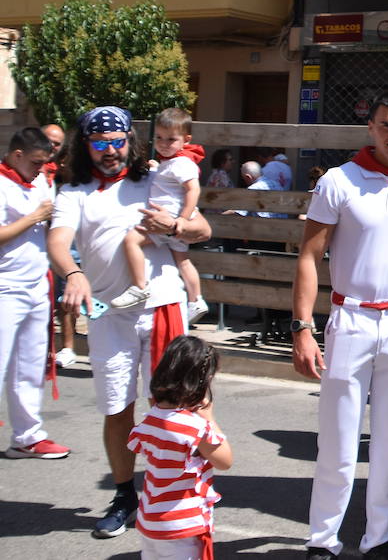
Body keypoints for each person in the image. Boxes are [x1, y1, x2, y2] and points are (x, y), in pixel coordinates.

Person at [293, 92, 388, 560]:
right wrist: (302, 327)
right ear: (371, 126)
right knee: (338, 441)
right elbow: (308, 255)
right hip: (351, 319)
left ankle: (379, 539)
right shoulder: (339, 182)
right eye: (386, 125)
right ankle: (322, 540)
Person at [47, 105, 211, 538]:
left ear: (129, 141)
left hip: (161, 305)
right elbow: (58, 242)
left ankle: (177, 493)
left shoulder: (154, 178)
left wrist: (175, 224)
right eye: (99, 143)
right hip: (108, 314)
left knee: (176, 405)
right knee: (118, 409)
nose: (110, 150)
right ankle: (125, 496)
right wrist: (75, 274)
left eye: (117, 141)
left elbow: (204, 230)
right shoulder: (74, 193)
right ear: (86, 146)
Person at [128, 335, 232, 559]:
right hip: (180, 524)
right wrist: (210, 418)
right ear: (202, 381)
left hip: (150, 519)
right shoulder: (194, 427)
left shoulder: (151, 417)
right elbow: (225, 461)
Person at [0, 127, 68, 460]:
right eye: (36, 162)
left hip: (37, 284)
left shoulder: (40, 180)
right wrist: (35, 217)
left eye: (45, 163)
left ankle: (27, 436)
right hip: (5, 288)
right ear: (16, 155)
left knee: (29, 365)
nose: (41, 169)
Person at [111, 108, 207, 324]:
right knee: (183, 261)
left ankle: (139, 286)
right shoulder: (171, 162)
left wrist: (181, 220)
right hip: (172, 220)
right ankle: (196, 299)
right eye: (159, 138)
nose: (163, 143)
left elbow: (194, 190)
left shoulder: (183, 163)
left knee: (131, 240)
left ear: (186, 140)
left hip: (167, 219)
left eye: (171, 139)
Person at [43, 122, 80, 369]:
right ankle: (46, 348)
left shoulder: (69, 174)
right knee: (46, 302)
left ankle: (67, 347)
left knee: (68, 301)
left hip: (70, 248)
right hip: (40, 250)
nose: (53, 147)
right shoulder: (35, 171)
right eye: (49, 141)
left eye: (57, 143)